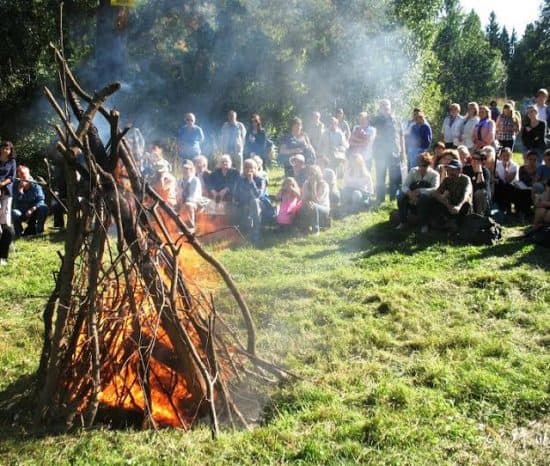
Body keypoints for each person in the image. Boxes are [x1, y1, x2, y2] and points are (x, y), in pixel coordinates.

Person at [417, 159, 472, 232]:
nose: (450, 172)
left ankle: (458, 225)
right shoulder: (447, 180)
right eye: (449, 170)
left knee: (466, 204)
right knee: (432, 200)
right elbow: (436, 193)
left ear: (459, 170)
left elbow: (466, 194)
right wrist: (447, 204)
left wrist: (459, 206)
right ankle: (438, 223)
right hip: (450, 205)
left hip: (462, 206)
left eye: (453, 170)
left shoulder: (465, 179)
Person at [396, 152, 440, 229]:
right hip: (412, 195)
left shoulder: (435, 174)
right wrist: (409, 193)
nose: (421, 168)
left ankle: (424, 225)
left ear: (429, 165)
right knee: (400, 196)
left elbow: (435, 189)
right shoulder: (413, 171)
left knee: (423, 198)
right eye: (420, 165)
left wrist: (420, 191)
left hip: (428, 198)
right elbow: (404, 186)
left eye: (424, 165)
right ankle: (403, 222)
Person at [371, 99, 403, 203]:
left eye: (387, 105)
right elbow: (371, 132)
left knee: (394, 177)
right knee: (380, 176)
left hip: (394, 152)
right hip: (380, 153)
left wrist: (403, 151)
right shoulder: (375, 120)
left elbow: (401, 136)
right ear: (380, 108)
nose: (386, 107)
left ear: (390, 107)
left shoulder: (396, 120)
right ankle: (380, 198)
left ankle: (393, 198)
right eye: (383, 106)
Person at [234, 158, 266, 243]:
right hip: (245, 203)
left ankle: (256, 234)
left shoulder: (261, 180)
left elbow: (258, 195)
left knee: (254, 202)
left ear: (256, 169)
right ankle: (240, 232)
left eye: (251, 168)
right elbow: (236, 195)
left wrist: (251, 181)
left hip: (260, 205)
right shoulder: (240, 179)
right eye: (246, 168)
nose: (249, 170)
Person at [12, 165, 49, 236]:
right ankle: (19, 233)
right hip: (21, 211)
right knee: (13, 213)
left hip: (34, 211)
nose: (23, 177)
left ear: (28, 174)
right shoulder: (15, 185)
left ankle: (39, 231)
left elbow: (41, 200)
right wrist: (20, 191)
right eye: (20, 175)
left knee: (44, 207)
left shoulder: (35, 184)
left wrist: (32, 209)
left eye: (24, 174)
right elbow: (15, 202)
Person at [300, 165, 330, 234]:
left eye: (313, 174)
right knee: (303, 207)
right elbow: (303, 198)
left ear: (318, 174)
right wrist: (307, 202)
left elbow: (318, 201)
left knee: (314, 206)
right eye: (309, 174)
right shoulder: (306, 183)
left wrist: (313, 187)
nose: (310, 176)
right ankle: (304, 229)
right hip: (310, 206)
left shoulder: (324, 185)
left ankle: (315, 230)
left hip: (323, 208)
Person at [0, 141, 16, 265]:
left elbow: (12, 177)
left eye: (8, 149)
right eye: (4, 148)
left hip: (6, 192)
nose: (6, 150)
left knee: (6, 221)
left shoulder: (12, 162)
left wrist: (2, 184)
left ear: (11, 150)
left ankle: (4, 254)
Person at [462, 151, 492, 216]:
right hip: (468, 196)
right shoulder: (466, 169)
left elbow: (480, 186)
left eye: (477, 159)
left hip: (481, 201)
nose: (474, 161)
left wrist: (479, 172)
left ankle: (479, 216)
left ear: (482, 161)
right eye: (473, 158)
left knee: (480, 193)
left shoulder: (485, 172)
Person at [513, 150, 538, 221]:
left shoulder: (539, 169)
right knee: (517, 190)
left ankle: (524, 212)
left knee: (526, 193)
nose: (532, 161)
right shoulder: (522, 168)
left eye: (534, 160)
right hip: (523, 187)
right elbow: (521, 179)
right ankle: (520, 211)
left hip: (533, 188)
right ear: (527, 159)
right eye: (530, 159)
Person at [494, 147, 519, 215]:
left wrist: (506, 169)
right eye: (504, 156)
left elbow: (508, 180)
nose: (505, 157)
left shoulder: (514, 166)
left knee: (507, 187)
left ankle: (508, 209)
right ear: (501, 156)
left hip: (512, 185)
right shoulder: (497, 164)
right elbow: (497, 177)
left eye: (508, 155)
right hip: (501, 185)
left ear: (510, 156)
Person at [179, 160, 204, 228]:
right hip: (183, 202)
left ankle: (190, 228)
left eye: (187, 168)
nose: (184, 170)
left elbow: (192, 197)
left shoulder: (195, 180)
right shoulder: (180, 181)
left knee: (188, 205)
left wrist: (182, 204)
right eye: (183, 168)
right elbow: (178, 195)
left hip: (196, 204)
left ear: (191, 169)